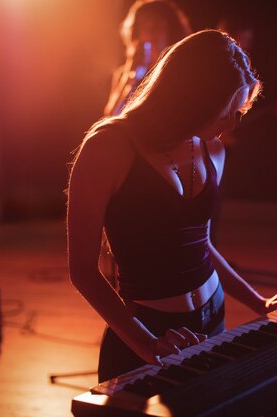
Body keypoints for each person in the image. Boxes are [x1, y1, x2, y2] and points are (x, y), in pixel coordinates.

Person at [67, 29, 277, 384]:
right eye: (225, 112)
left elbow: (201, 244)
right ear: (191, 99)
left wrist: (260, 303)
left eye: (239, 112)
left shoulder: (213, 148)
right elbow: (82, 270)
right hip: (146, 326)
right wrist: (145, 342)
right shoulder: (108, 148)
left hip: (212, 314)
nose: (232, 124)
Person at [99, 0, 192, 282]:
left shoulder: (179, 75)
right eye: (145, 27)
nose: (151, 32)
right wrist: (132, 74)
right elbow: (107, 122)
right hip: (127, 169)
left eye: (158, 25)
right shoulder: (126, 73)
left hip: (165, 168)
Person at [103, 0, 191, 117]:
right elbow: (110, 118)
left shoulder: (182, 73)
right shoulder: (124, 75)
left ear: (171, 30)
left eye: (158, 24)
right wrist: (130, 77)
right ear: (136, 33)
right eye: (145, 24)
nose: (151, 31)